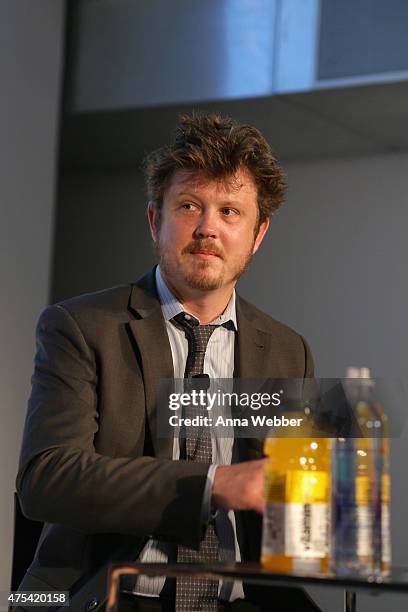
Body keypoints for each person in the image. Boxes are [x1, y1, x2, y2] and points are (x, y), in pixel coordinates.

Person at [16, 114, 320, 612]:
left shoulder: (290, 350)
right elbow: (46, 479)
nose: (208, 229)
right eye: (189, 206)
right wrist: (214, 485)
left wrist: (329, 500)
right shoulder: (79, 326)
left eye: (230, 212)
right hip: (111, 596)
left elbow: (294, 516)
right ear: (156, 219)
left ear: (258, 233)